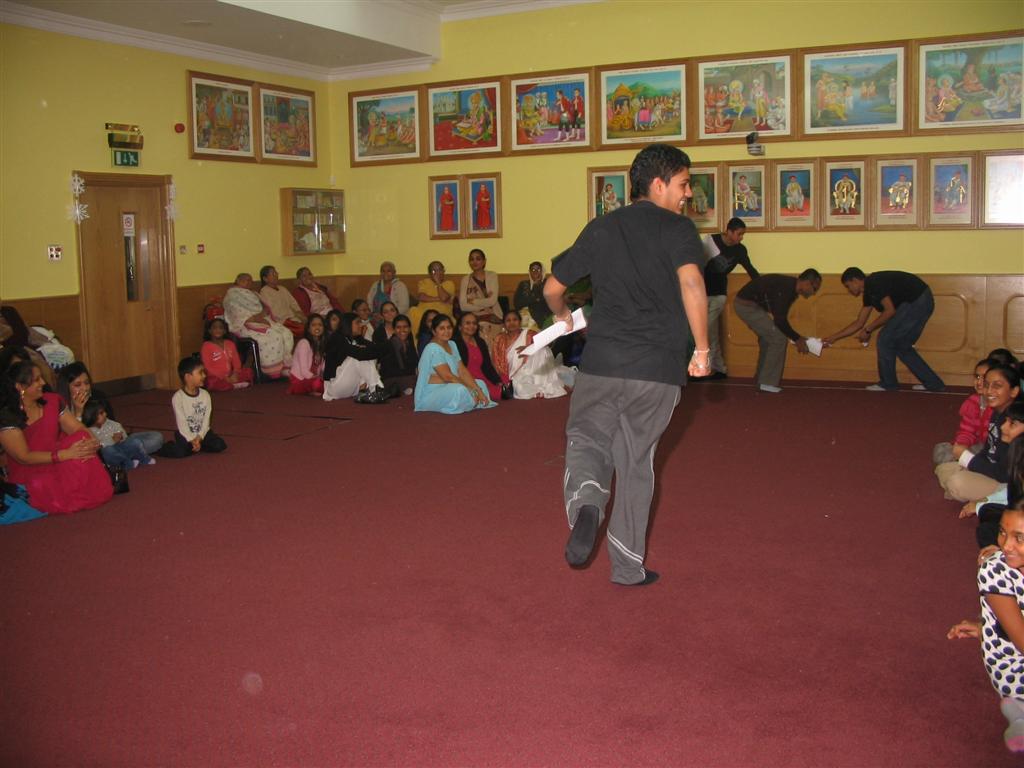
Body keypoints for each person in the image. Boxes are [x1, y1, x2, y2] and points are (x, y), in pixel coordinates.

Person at [542, 143, 709, 587]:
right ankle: (627, 567)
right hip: (657, 371)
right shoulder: (677, 229)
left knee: (586, 441)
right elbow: (692, 282)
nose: (687, 194)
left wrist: (562, 317)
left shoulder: (602, 227)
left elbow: (553, 286)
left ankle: (587, 505)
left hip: (601, 363)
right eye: (683, 184)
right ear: (659, 184)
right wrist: (703, 350)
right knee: (636, 462)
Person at [947, 499, 1024, 754]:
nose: (1006, 545)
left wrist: (985, 627)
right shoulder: (994, 570)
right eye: (1002, 532)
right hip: (1014, 666)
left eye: (1018, 538)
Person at [0, 361, 112, 514]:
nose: (43, 383)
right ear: (20, 387)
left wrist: (92, 442)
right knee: (41, 484)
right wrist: (64, 455)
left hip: (58, 456)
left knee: (80, 437)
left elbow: (77, 428)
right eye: (37, 380)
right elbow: (24, 457)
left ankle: (84, 489)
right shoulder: (7, 417)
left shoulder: (52, 401)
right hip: (32, 468)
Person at [822, 267, 945, 392]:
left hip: (916, 300)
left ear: (855, 280)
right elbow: (859, 323)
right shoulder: (869, 293)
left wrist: (868, 330)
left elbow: (890, 311)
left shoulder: (873, 283)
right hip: (921, 300)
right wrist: (833, 338)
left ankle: (888, 383)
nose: (849, 290)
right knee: (902, 345)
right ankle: (933, 383)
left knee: (884, 340)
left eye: (848, 286)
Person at [937, 365, 1022, 502]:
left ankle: (997, 500)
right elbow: (988, 449)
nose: (989, 391)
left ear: (1014, 391)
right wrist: (971, 463)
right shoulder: (997, 412)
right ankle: (982, 497)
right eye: (987, 385)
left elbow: (1004, 473)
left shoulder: (1015, 424)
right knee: (943, 468)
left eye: (997, 386)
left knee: (957, 483)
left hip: (1008, 482)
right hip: (992, 469)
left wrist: (967, 459)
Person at [733, 270, 821, 393]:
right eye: (814, 288)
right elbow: (780, 320)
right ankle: (766, 382)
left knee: (769, 338)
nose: (814, 293)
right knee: (778, 339)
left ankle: (761, 378)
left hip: (750, 306)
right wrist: (798, 339)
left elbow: (779, 318)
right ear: (807, 283)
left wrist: (796, 338)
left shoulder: (790, 288)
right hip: (746, 306)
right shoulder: (786, 288)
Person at [56, 362, 163, 455]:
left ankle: (125, 455)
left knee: (156, 438)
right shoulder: (60, 407)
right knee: (105, 452)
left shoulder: (97, 397)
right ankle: (126, 455)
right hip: (91, 447)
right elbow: (76, 439)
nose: (84, 388)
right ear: (67, 388)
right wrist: (79, 412)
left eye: (87, 383)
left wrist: (117, 434)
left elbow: (111, 423)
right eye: (78, 385)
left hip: (111, 441)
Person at [700, 217, 759, 380]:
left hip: (718, 294)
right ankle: (703, 367)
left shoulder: (740, 250)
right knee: (700, 331)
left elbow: (750, 269)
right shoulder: (710, 241)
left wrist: (761, 285)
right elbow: (696, 264)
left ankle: (717, 368)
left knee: (708, 330)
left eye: (742, 235)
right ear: (729, 231)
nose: (741, 238)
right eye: (739, 234)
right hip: (699, 293)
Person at [414, 313, 496, 415]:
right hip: (432, 391)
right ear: (434, 331)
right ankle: (470, 401)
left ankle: (471, 401)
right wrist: (471, 390)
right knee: (460, 390)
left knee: (480, 384)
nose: (446, 331)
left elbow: (462, 370)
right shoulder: (433, 348)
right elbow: (447, 376)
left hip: (450, 384)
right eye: (442, 328)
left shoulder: (452, 344)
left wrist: (477, 390)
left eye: (449, 328)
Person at [223, 272, 293, 379]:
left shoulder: (253, 293)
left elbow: (265, 308)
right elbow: (237, 314)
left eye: (250, 280)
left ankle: (285, 366)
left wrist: (262, 316)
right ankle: (271, 370)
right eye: (245, 279)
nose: (248, 282)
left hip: (262, 320)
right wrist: (255, 318)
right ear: (237, 280)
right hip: (244, 325)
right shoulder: (232, 295)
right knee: (274, 337)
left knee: (286, 333)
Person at [490, 308, 567, 400]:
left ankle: (541, 384)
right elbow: (496, 360)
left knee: (541, 350)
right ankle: (535, 390)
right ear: (504, 324)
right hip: (512, 373)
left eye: (515, 320)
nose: (512, 323)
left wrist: (529, 348)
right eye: (508, 320)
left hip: (531, 369)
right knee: (520, 388)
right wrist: (501, 379)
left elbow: (547, 343)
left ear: (520, 322)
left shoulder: (529, 334)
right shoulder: (500, 338)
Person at [158, 357, 227, 459]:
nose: (204, 375)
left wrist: (199, 437)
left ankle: (197, 446)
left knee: (219, 445)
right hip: (185, 433)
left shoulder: (205, 395)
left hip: (202, 433)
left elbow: (206, 420)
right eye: (200, 373)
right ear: (188, 377)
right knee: (180, 452)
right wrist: (191, 439)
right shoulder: (178, 398)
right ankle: (163, 448)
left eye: (204, 372)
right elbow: (181, 422)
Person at [934, 357, 993, 464]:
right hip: (979, 445)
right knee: (941, 451)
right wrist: (961, 445)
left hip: (996, 450)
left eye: (984, 378)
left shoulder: (1001, 406)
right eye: (977, 376)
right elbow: (967, 430)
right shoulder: (973, 402)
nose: (979, 382)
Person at [322, 312, 389, 403]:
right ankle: (376, 389)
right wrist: (364, 350)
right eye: (357, 322)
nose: (360, 325)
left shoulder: (357, 339)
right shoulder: (337, 338)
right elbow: (360, 354)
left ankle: (370, 390)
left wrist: (364, 348)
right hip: (333, 387)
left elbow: (376, 349)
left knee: (364, 356)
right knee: (357, 358)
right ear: (348, 324)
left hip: (352, 387)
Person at [81, 398, 154, 470]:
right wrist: (112, 440)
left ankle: (144, 459)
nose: (105, 414)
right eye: (101, 413)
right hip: (110, 454)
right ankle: (128, 463)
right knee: (107, 451)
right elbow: (98, 446)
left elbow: (124, 435)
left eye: (104, 412)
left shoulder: (110, 423)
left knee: (136, 442)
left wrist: (121, 437)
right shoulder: (89, 431)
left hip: (121, 447)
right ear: (92, 416)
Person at [453, 312, 503, 403]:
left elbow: (487, 366)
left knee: (504, 383)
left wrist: (497, 381)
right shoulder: (454, 343)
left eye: (474, 323)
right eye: (467, 323)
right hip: (466, 379)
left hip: (483, 377)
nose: (471, 326)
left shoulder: (480, 342)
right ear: (460, 327)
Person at [458, 248, 504, 344]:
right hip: (473, 316)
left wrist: (473, 301)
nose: (474, 262)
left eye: (478, 259)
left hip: (494, 315)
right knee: (478, 326)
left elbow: (492, 301)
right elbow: (463, 305)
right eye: (472, 259)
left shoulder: (492, 276)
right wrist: (485, 303)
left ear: (484, 261)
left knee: (487, 328)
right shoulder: (465, 280)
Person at [200, 318, 254, 392]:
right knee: (211, 382)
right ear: (209, 331)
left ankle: (232, 384)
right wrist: (223, 377)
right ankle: (232, 385)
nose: (218, 330)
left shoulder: (230, 344)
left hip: (231, 375)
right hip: (216, 377)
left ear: (225, 331)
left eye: (221, 328)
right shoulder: (206, 346)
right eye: (214, 328)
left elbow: (236, 362)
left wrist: (235, 373)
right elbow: (207, 366)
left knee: (248, 372)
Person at [408, 262, 455, 334]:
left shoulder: (449, 284)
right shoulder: (424, 282)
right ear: (429, 274)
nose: (437, 273)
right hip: (423, 314)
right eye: (434, 271)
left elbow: (444, 297)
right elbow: (422, 297)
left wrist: (438, 283)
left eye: (440, 270)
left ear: (443, 271)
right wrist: (439, 299)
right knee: (413, 311)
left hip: (442, 314)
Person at [258, 265, 305, 338]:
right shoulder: (264, 291)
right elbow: (272, 311)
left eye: (276, 272)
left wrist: (299, 313)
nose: (276, 275)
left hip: (293, 318)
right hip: (281, 321)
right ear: (265, 278)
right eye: (273, 273)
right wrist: (291, 316)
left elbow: (293, 303)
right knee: (304, 330)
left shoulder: (282, 288)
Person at [287, 314, 326, 396]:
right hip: (301, 379)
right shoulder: (304, 343)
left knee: (330, 383)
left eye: (320, 325)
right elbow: (304, 371)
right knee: (319, 384)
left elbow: (322, 367)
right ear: (308, 328)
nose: (317, 327)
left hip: (313, 378)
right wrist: (316, 378)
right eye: (314, 325)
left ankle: (315, 388)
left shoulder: (321, 344)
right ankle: (313, 388)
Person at [379, 314, 418, 396]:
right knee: (414, 381)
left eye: (405, 327)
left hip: (408, 378)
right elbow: (387, 371)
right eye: (398, 327)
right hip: (391, 380)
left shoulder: (409, 344)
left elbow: (415, 363)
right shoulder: (388, 344)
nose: (402, 330)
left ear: (410, 329)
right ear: (394, 329)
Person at [513, 261, 551, 329]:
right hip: (525, 315)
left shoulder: (548, 283)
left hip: (543, 315)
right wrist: (535, 294)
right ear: (529, 272)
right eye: (533, 269)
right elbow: (517, 304)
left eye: (538, 269)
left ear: (542, 271)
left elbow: (546, 302)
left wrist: (534, 293)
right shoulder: (523, 284)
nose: (535, 272)